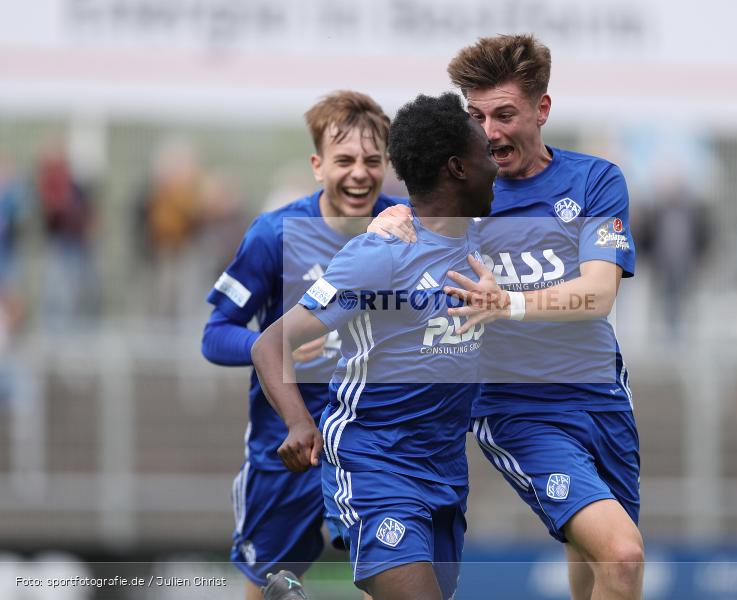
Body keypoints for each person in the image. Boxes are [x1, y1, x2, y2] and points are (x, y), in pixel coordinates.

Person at [371, 34, 643, 599]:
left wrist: (506, 303)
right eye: (476, 116)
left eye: (504, 114)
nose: (489, 132)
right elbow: (385, 274)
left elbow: (597, 294)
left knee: (594, 559)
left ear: (542, 109)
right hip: (515, 407)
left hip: (600, 397)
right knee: (623, 555)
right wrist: (383, 228)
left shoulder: (595, 181)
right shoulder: (456, 196)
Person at [251, 92, 497, 600]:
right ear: (457, 168)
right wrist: (300, 422)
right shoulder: (381, 254)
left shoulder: (481, 241)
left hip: (444, 468)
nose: (497, 167)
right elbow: (271, 342)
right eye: (486, 157)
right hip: (374, 464)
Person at [201, 90, 402, 600]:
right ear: (318, 165)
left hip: (372, 439)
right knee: (271, 585)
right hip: (289, 443)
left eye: (372, 161)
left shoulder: (405, 226)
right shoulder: (274, 234)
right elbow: (215, 334)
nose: (359, 173)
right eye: (344, 161)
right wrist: (274, 347)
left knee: (389, 576)